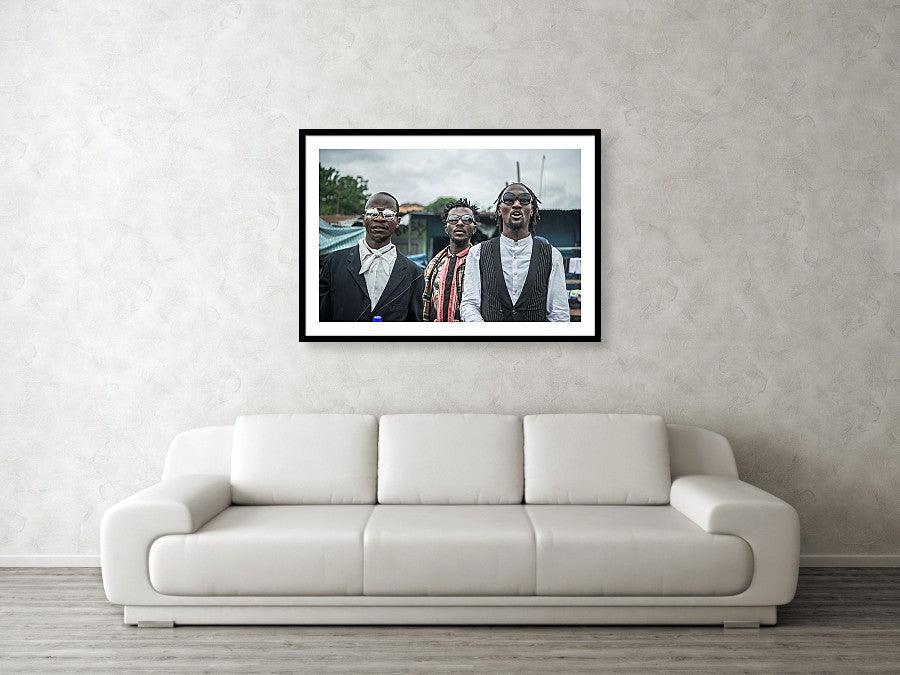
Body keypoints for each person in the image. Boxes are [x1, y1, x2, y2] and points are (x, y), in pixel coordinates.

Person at [460, 182, 569, 322]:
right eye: (509, 199)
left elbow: (559, 313)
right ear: (499, 210)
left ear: (532, 210)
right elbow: (469, 304)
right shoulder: (477, 253)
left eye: (524, 200)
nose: (517, 204)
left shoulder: (552, 256)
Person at [319, 192, 424, 322]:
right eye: (372, 213)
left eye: (388, 214)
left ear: (398, 221)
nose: (379, 219)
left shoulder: (415, 273)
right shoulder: (334, 263)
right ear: (364, 219)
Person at [422, 198, 479, 321]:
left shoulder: (481, 263)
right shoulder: (434, 265)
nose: (459, 223)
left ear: (474, 229)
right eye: (453, 219)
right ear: (446, 229)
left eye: (467, 219)